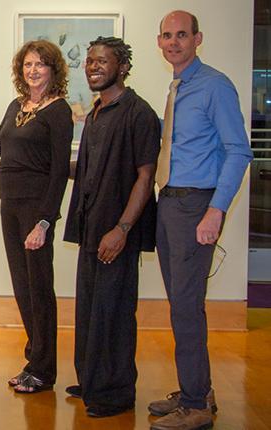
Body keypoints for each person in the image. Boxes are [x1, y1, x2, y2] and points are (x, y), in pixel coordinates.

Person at [148, 11, 252, 430]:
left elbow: (239, 151)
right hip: (169, 202)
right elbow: (176, 140)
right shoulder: (177, 88)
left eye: (182, 35)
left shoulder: (214, 86)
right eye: (167, 36)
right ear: (159, 42)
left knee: (186, 307)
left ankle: (195, 407)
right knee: (182, 304)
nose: (174, 42)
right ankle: (199, 389)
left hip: (196, 205)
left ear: (197, 39)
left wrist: (216, 209)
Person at [62, 37, 160, 418]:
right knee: (90, 309)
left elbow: (145, 177)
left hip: (117, 233)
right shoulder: (97, 113)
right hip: (90, 227)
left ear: (123, 67)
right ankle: (91, 380)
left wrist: (122, 229)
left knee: (115, 313)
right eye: (89, 61)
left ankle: (116, 393)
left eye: (102, 61)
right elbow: (89, 169)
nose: (93, 67)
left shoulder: (139, 114)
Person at [0, 39, 72, 394]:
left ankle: (44, 371)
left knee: (40, 288)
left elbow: (60, 172)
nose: (33, 70)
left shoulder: (59, 111)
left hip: (36, 209)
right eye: (28, 64)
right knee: (22, 287)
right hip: (10, 205)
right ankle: (34, 361)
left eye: (40, 64)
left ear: (53, 70)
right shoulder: (16, 106)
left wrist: (45, 222)